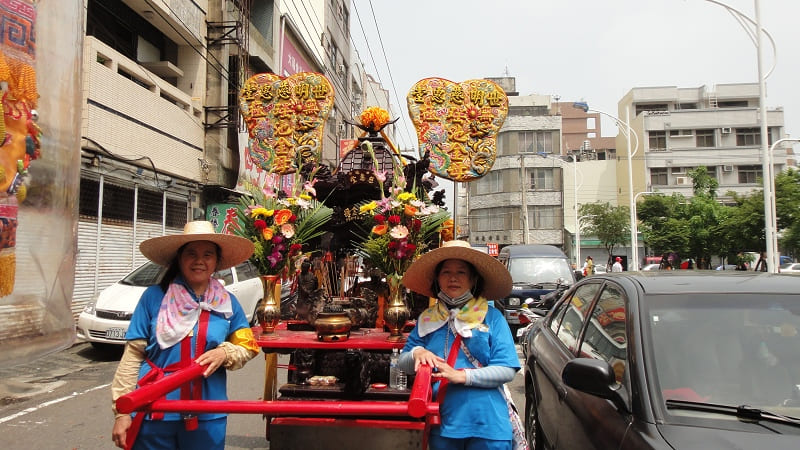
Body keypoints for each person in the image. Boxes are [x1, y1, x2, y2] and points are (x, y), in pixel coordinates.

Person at [110, 221, 260, 449]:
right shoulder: (153, 298)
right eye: (191, 254)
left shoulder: (228, 303)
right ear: (179, 259)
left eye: (207, 255)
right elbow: (132, 356)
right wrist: (122, 412)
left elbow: (248, 346)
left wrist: (224, 353)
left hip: (208, 411)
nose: (199, 261)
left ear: (216, 262)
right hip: (155, 409)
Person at [398, 240, 519, 449]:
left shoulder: (492, 318)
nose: (453, 278)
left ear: (473, 279)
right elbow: (404, 362)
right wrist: (417, 352)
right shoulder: (427, 320)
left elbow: (507, 369)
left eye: (461, 272)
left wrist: (461, 376)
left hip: (489, 426)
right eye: (446, 272)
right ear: (437, 279)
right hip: (442, 424)